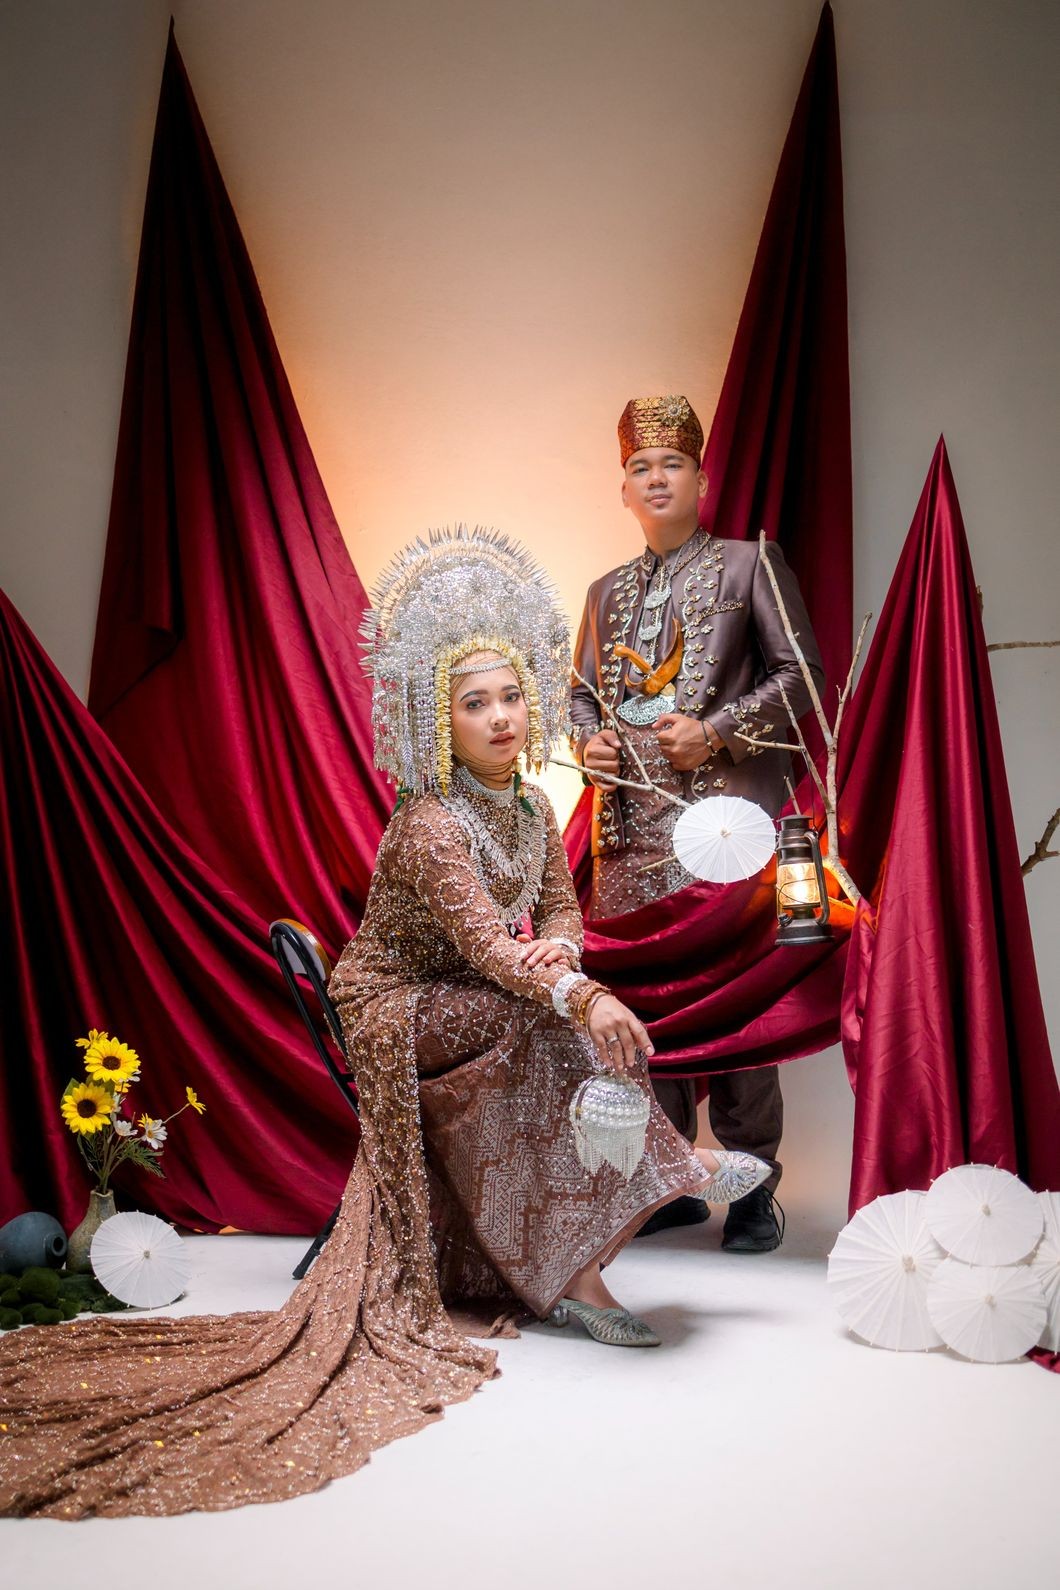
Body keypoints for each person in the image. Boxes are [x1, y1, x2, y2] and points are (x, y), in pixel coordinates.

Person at [0, 526, 767, 1520]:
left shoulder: (533, 807)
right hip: (391, 1007)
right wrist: (576, 990)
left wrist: (564, 957)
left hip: (478, 993)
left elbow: (558, 913)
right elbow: (485, 947)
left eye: (510, 696)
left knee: (540, 1021)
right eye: (473, 702)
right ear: (437, 719)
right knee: (545, 1023)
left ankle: (583, 1265)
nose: (500, 717)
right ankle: (664, 1183)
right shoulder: (430, 820)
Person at [571, 396, 825, 1252]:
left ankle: (754, 1188)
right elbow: (580, 695)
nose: (656, 478)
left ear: (701, 480)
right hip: (627, 837)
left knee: (733, 1003)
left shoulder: (751, 565)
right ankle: (669, 1179)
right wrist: (586, 743)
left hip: (721, 830)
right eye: (640, 468)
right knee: (646, 1009)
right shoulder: (604, 592)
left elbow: (802, 676)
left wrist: (715, 732)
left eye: (671, 464)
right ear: (624, 489)